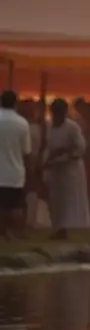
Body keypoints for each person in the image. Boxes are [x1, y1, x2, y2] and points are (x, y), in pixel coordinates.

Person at [42, 98, 90, 240]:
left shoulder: (73, 127)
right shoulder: (49, 126)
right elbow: (47, 147)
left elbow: (80, 148)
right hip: (55, 170)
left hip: (70, 170)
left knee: (69, 201)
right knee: (56, 200)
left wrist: (64, 155)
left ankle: (65, 230)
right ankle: (58, 228)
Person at [0, 90, 32, 239]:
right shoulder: (22, 123)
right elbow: (27, 151)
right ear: (15, 103)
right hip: (15, 172)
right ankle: (16, 233)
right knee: (15, 206)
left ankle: (3, 232)